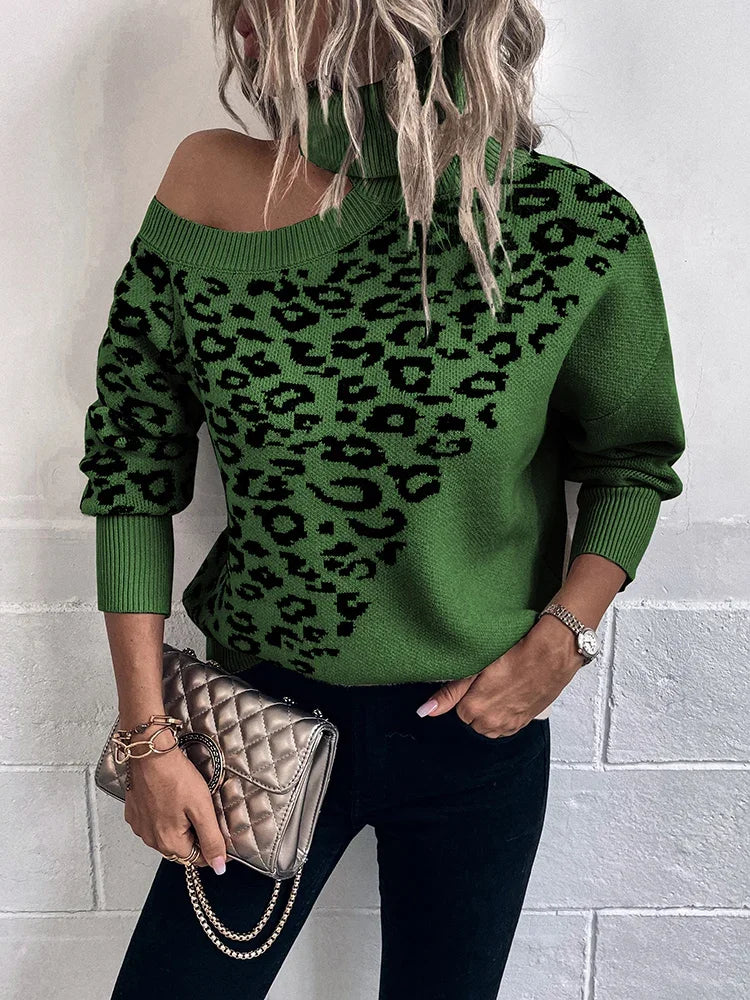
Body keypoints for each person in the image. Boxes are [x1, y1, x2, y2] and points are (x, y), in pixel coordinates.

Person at [77, 1, 686, 997]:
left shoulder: (567, 228)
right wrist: (146, 734)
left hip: (475, 727)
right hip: (257, 725)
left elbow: (632, 459)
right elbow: (130, 465)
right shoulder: (206, 182)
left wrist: (564, 638)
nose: (241, 17)